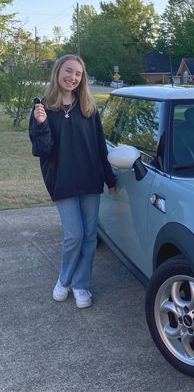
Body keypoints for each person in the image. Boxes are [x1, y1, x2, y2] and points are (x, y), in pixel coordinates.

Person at [29, 54, 116, 309]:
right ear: (58, 72)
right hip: (63, 181)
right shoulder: (44, 108)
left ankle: (81, 284)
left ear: (82, 78)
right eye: (69, 71)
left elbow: (100, 146)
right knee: (74, 235)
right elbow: (42, 150)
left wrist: (109, 178)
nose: (73, 77)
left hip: (90, 179)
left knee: (89, 236)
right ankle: (64, 279)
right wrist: (42, 124)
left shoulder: (88, 107)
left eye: (78, 74)